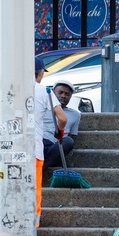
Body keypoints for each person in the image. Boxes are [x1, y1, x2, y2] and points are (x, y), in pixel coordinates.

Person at [35, 57, 66, 224]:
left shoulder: (10, 87)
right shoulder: (44, 91)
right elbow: (62, 118)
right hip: (34, 149)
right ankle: (34, 223)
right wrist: (59, 131)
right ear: (40, 73)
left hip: (11, 149)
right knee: (34, 190)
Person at [43, 78, 82, 168]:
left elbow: (71, 136)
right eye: (60, 93)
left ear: (70, 97)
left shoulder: (75, 115)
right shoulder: (43, 108)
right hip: (39, 142)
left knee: (68, 141)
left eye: (67, 94)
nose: (63, 96)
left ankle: (41, 168)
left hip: (55, 146)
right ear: (53, 93)